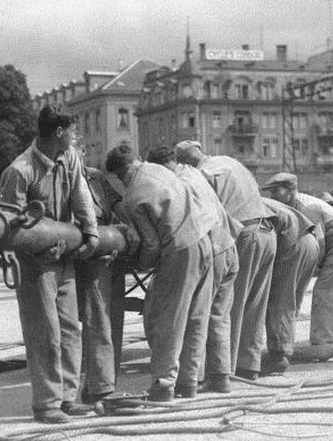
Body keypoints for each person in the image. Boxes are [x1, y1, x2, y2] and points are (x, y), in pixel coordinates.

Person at [0, 105, 99, 424]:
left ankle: (68, 397)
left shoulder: (69, 157)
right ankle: (46, 403)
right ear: (58, 132)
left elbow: (80, 194)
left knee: (71, 328)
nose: (76, 136)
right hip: (35, 264)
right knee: (45, 332)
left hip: (65, 256)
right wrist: (36, 245)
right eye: (72, 130)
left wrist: (90, 233)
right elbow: (8, 227)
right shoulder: (20, 171)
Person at [106, 144, 215, 401]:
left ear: (120, 174)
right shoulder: (159, 169)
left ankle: (163, 385)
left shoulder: (133, 196)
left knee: (166, 319)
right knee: (195, 317)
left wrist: (141, 264)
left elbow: (152, 244)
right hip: (204, 239)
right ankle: (188, 383)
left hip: (180, 248)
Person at [174, 140, 276, 381]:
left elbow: (204, 214)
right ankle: (249, 366)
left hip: (244, 233)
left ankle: (223, 371)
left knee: (230, 305)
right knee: (255, 304)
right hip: (267, 231)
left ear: (184, 162)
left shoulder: (202, 174)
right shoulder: (230, 162)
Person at [147, 144, 239, 393]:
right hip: (228, 245)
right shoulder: (192, 172)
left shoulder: (177, 182)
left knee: (190, 315)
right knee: (215, 315)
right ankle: (218, 378)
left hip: (211, 246)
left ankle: (188, 381)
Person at [261, 173, 333, 349]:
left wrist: (314, 267)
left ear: (290, 190)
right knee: (326, 290)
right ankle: (316, 340)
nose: (272, 197)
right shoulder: (294, 206)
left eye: (276, 191)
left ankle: (323, 343)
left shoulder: (306, 207)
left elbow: (320, 242)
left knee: (326, 291)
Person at [74, 142, 132, 404]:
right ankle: (99, 388)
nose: (76, 157)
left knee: (113, 319)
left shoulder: (95, 177)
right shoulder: (62, 179)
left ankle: (103, 383)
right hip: (85, 255)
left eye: (79, 151)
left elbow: (118, 206)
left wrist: (129, 232)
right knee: (97, 320)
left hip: (110, 252)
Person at [258, 195, 320, 375]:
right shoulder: (264, 200)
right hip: (308, 239)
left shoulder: (246, 202)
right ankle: (284, 349)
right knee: (290, 302)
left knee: (280, 299)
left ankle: (279, 355)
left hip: (293, 241)